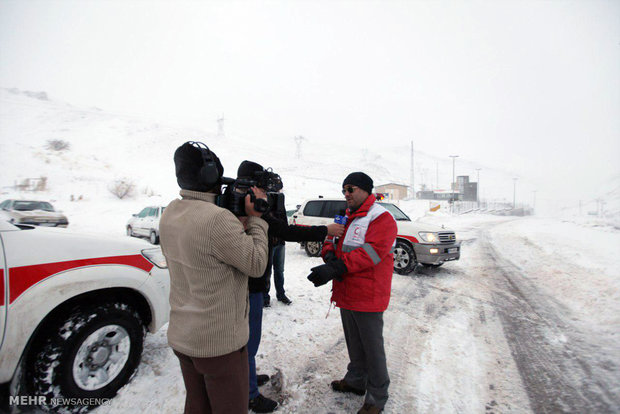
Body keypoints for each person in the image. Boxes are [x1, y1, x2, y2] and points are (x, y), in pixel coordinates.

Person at [159, 142, 269, 414]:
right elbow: (256, 264)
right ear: (210, 174)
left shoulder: (170, 212)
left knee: (197, 407)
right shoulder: (218, 220)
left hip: (184, 339)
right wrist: (256, 219)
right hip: (218, 346)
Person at [237, 161, 344, 413]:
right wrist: (325, 230)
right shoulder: (247, 209)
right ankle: (249, 393)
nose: (266, 193)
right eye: (262, 187)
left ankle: (248, 376)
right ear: (251, 185)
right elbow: (285, 230)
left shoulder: (247, 205)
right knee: (248, 341)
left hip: (251, 283)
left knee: (247, 342)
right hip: (248, 285)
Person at [307, 172, 397, 414]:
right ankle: (356, 381)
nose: (346, 194)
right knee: (354, 343)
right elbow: (330, 239)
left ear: (366, 190)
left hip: (368, 294)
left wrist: (336, 266)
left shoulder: (381, 218)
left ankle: (377, 397)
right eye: (344, 189)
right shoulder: (343, 215)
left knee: (372, 348)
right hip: (346, 291)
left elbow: (372, 252)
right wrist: (328, 254)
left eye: (351, 189)